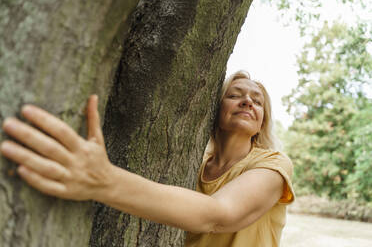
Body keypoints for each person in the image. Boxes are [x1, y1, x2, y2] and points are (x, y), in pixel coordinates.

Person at [1, 70, 295, 247]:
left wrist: (102, 181)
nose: (247, 102)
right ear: (215, 111)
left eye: (257, 101)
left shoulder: (273, 165)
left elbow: (218, 215)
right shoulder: (193, 166)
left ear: (262, 121)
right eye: (236, 95)